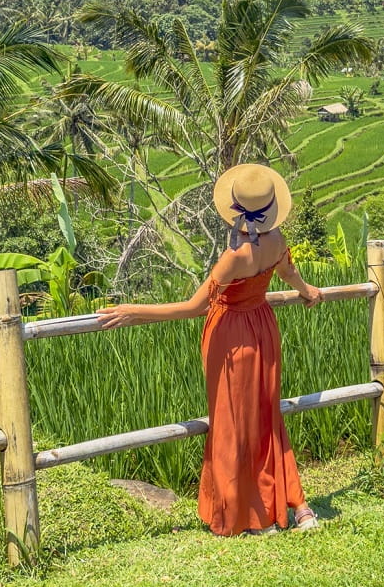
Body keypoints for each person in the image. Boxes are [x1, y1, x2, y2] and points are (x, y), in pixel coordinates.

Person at [97, 163, 323, 536]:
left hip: (231, 334)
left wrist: (132, 311)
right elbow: (287, 273)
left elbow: (194, 307)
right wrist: (307, 290)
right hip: (263, 327)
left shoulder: (235, 256)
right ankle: (296, 506)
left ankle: (249, 515)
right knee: (266, 415)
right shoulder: (278, 239)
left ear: (235, 209)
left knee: (233, 422)